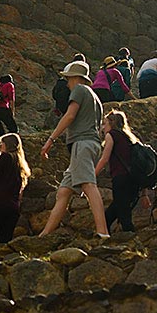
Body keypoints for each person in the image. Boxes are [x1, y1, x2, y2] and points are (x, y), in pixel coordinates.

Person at [39, 60, 109, 237]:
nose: (67, 83)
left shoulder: (79, 90)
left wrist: (50, 140)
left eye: (68, 78)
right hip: (92, 144)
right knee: (64, 191)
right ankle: (45, 234)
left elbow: (69, 116)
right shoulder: (95, 97)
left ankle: (103, 232)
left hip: (82, 143)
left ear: (75, 78)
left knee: (88, 185)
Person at [96, 110, 150, 235]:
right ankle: (106, 239)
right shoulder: (131, 138)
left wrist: (92, 176)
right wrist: (144, 193)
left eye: (105, 123)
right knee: (112, 214)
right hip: (133, 182)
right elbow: (141, 166)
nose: (103, 127)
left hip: (120, 179)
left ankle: (131, 244)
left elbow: (104, 159)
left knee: (124, 217)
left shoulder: (112, 135)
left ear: (112, 123)